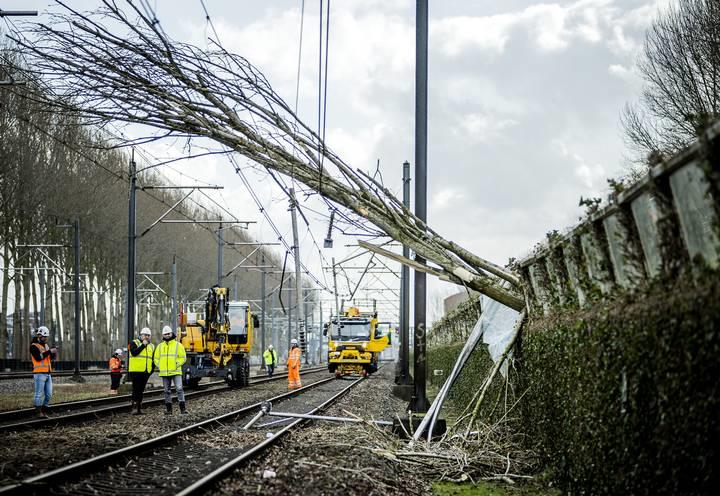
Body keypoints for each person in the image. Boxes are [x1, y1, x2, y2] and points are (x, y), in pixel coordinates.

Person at [153, 325, 188, 415]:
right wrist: (160, 365)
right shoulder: (160, 346)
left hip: (176, 371)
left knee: (179, 389)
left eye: (168, 333)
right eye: (165, 334)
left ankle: (183, 409)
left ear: (171, 333)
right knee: (166, 391)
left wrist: (177, 364)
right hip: (164, 372)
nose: (167, 335)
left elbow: (183, 357)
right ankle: (169, 410)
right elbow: (156, 358)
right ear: (163, 335)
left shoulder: (178, 345)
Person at [30, 326, 57, 418]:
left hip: (47, 373)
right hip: (39, 373)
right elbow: (38, 358)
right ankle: (38, 412)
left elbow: (49, 358)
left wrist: (53, 353)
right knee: (38, 393)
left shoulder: (46, 346)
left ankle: (44, 409)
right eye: (44, 337)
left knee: (49, 394)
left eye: (46, 337)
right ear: (39, 336)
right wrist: (49, 351)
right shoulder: (33, 346)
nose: (46, 339)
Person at [128, 327, 155, 415]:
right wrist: (143, 345)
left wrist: (151, 370)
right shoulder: (134, 342)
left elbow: (153, 359)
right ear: (141, 335)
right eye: (145, 335)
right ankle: (134, 408)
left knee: (141, 390)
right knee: (136, 389)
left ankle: (139, 408)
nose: (146, 337)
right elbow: (134, 353)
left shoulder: (151, 346)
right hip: (135, 371)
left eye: (148, 335)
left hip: (146, 372)